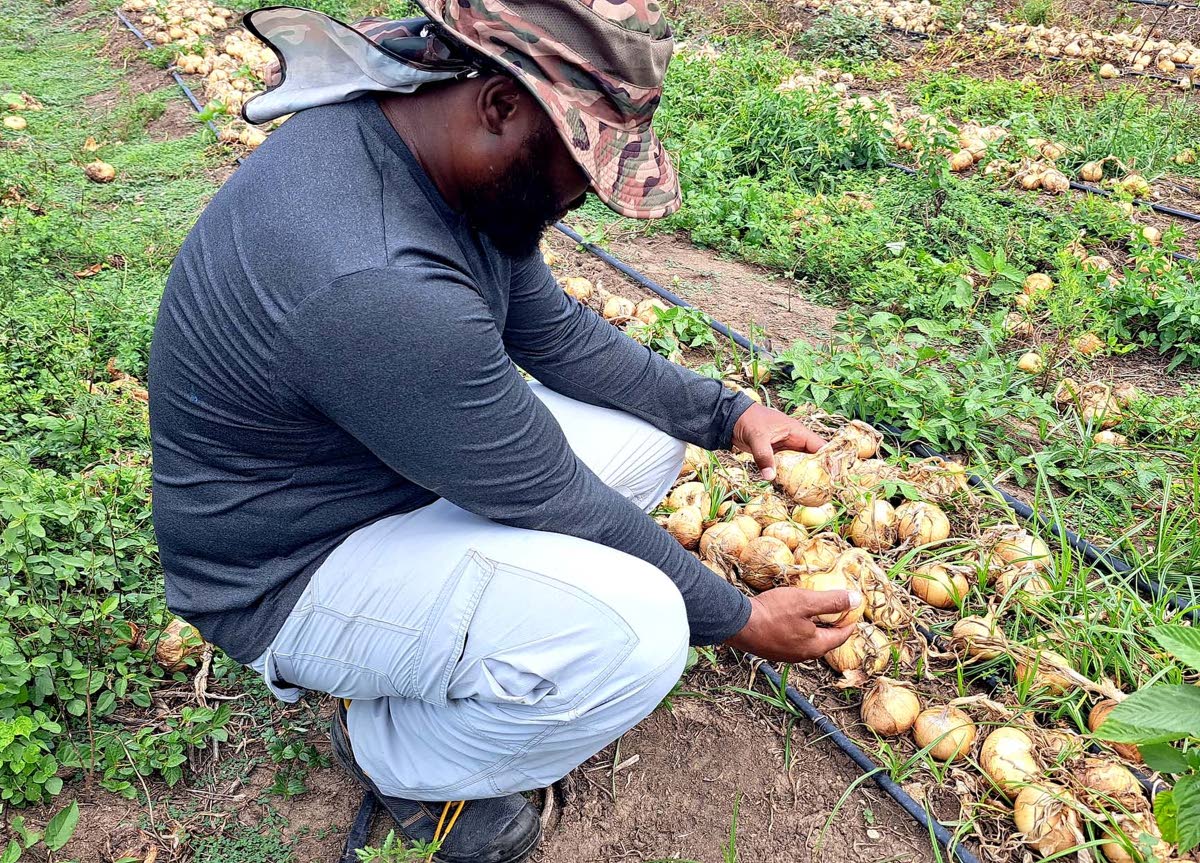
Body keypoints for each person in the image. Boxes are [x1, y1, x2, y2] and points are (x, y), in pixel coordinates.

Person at [148, 2, 859, 860]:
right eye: (583, 166)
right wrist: (742, 617)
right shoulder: (378, 279)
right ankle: (395, 754)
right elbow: (555, 494)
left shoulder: (432, 154)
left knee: (645, 439)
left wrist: (725, 411)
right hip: (287, 576)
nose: (581, 199)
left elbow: (552, 332)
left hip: (372, 479)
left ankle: (430, 663)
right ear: (499, 105)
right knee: (640, 632)